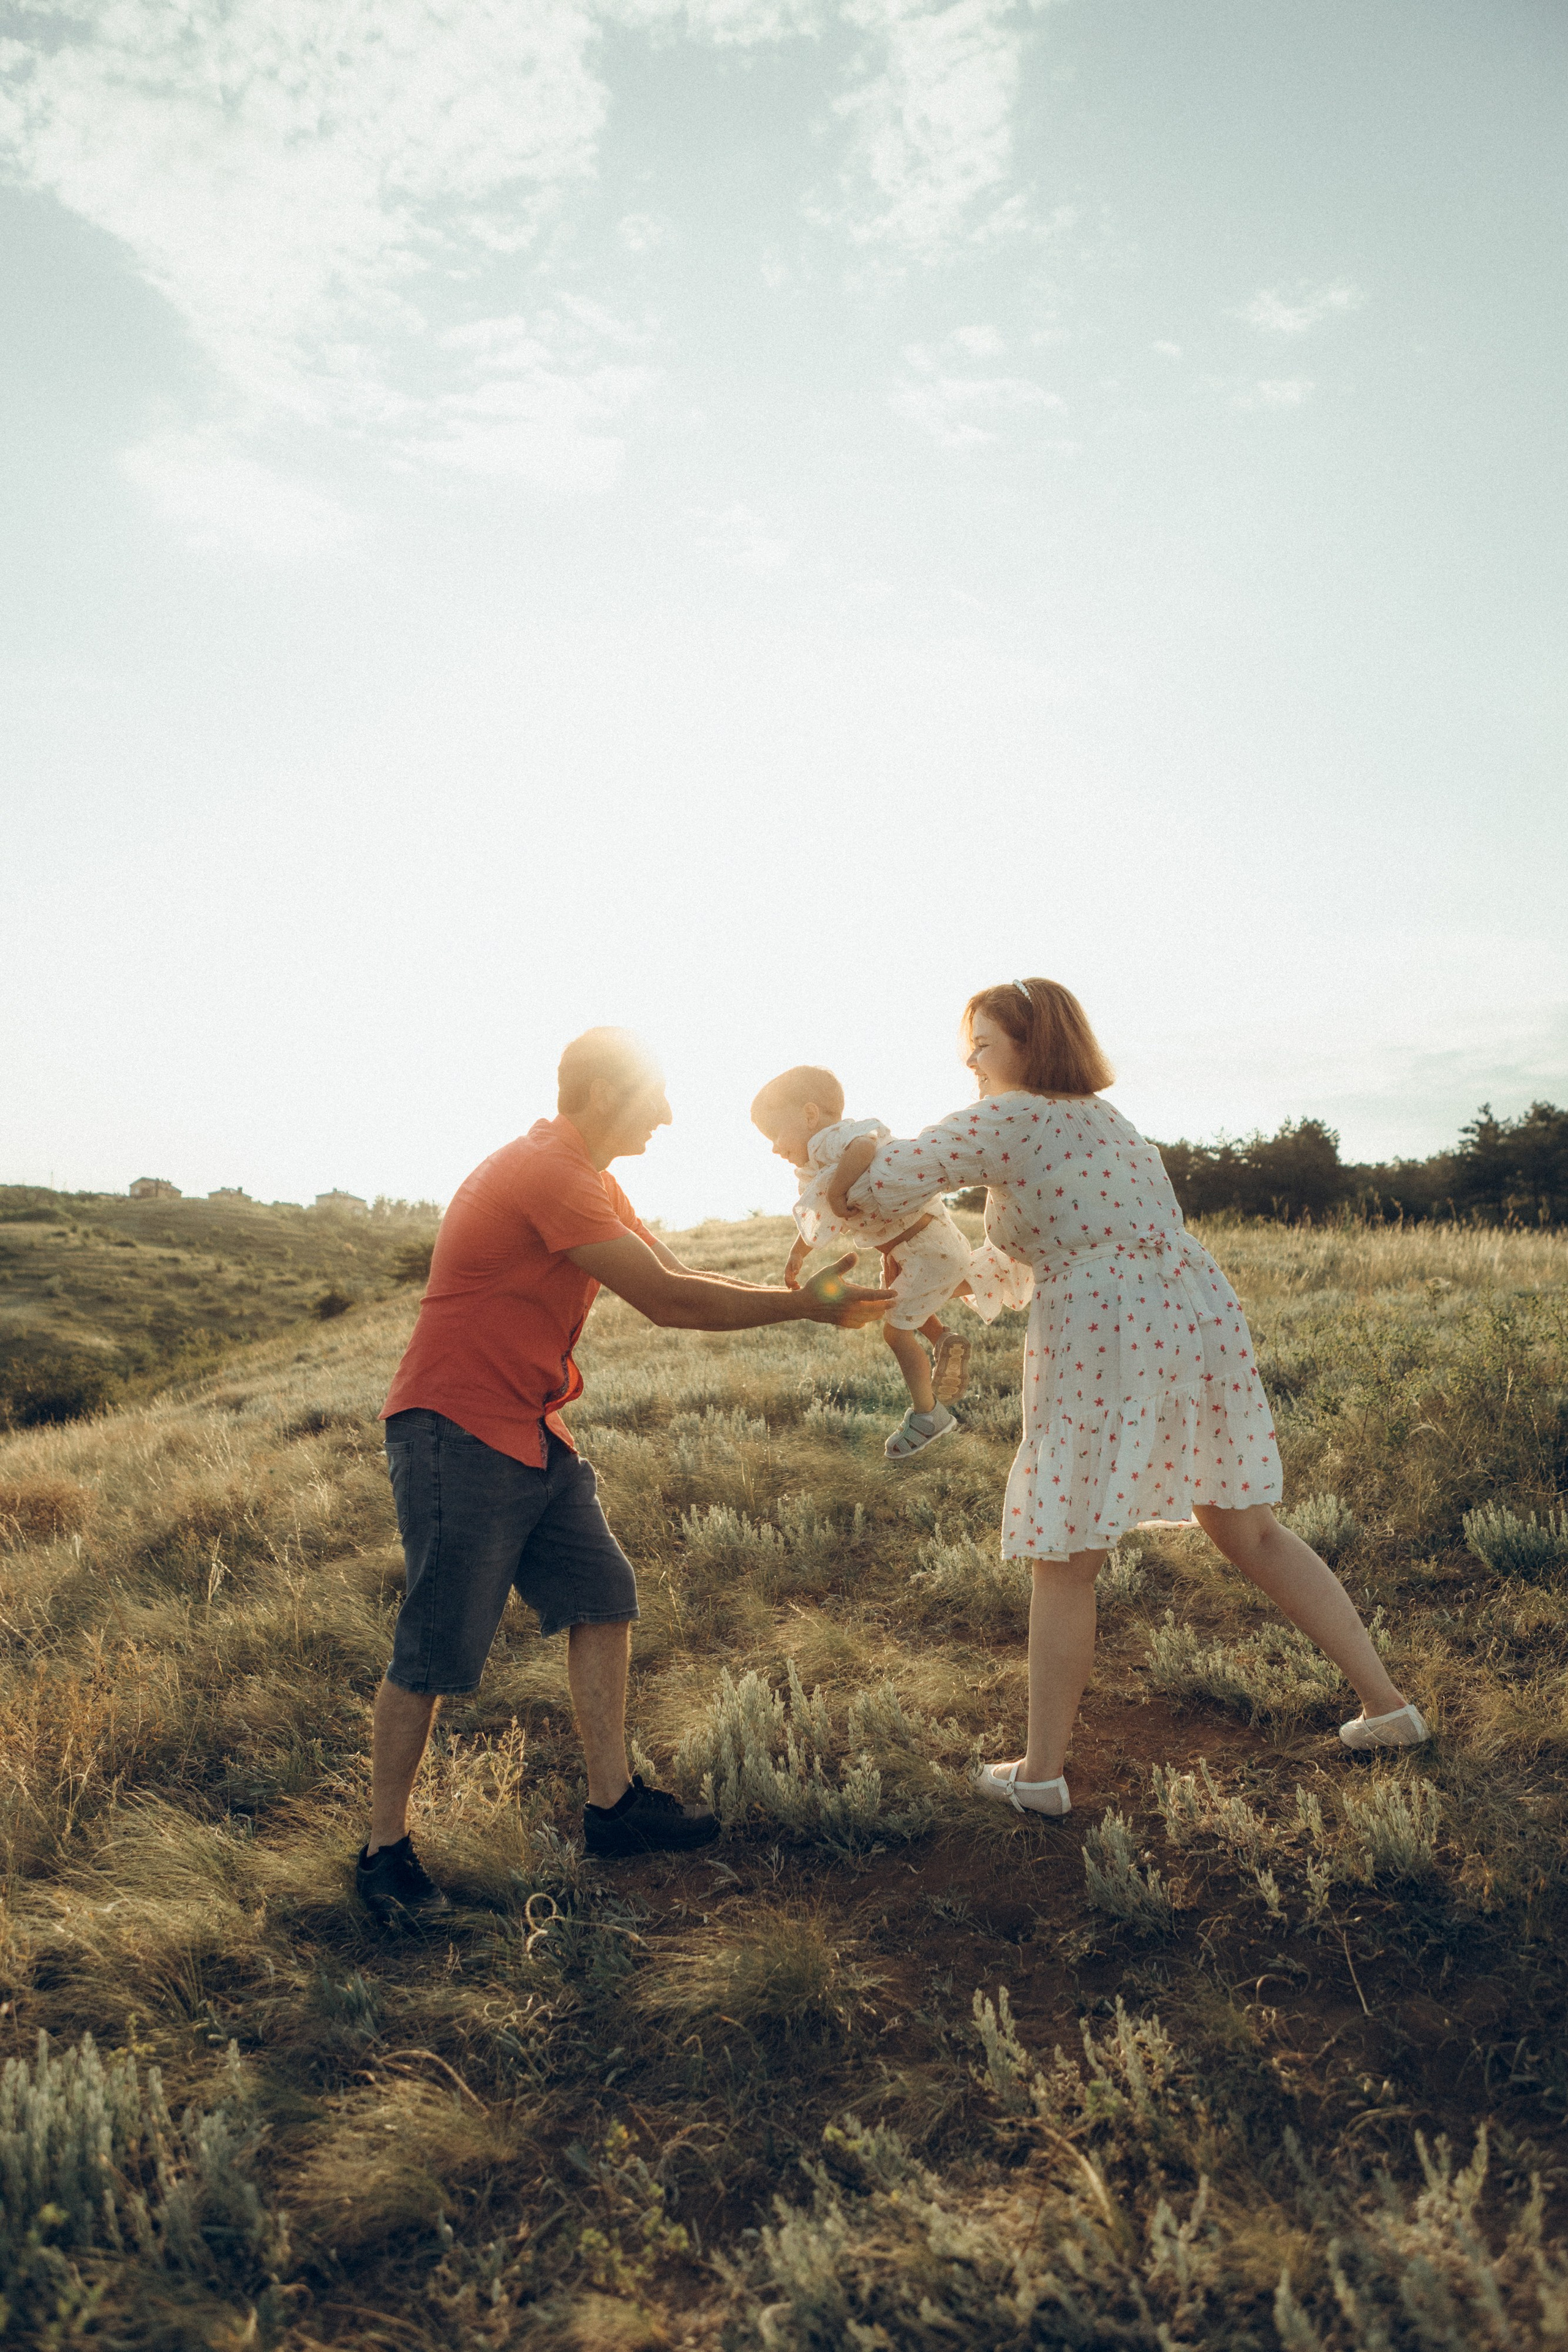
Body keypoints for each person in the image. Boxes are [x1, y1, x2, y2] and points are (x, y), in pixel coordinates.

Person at [826, 978, 1427, 1820]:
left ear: (1030, 1046)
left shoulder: (1011, 1114)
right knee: (1244, 1522)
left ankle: (1039, 1775)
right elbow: (1062, 1235)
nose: (970, 1061)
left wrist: (829, 1141)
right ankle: (1387, 1705)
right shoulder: (1110, 1123)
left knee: (1065, 1549)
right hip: (1192, 1308)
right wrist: (963, 1279)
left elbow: (876, 1185)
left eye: (982, 1044)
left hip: (1105, 1324)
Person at [360, 1027, 889, 1921]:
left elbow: (678, 1272)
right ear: (603, 1092)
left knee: (602, 1595)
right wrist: (807, 1310)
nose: (671, 1115)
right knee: (438, 1646)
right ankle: (382, 1854)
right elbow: (671, 1304)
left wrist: (807, 1295)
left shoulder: (593, 1180)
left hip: (531, 1426)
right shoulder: (546, 1173)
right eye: (656, 1097)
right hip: (456, 1428)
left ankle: (614, 1807)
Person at [752, 1063, 985, 1460]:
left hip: (927, 1249)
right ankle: (943, 1339)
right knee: (892, 1300)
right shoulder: (819, 1163)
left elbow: (863, 1145)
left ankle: (930, 1416)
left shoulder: (828, 1141)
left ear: (810, 1114)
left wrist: (841, 1189)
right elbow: (823, 1212)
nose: (774, 1146)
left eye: (775, 1134)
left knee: (894, 1333)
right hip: (922, 1248)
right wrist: (799, 1251)